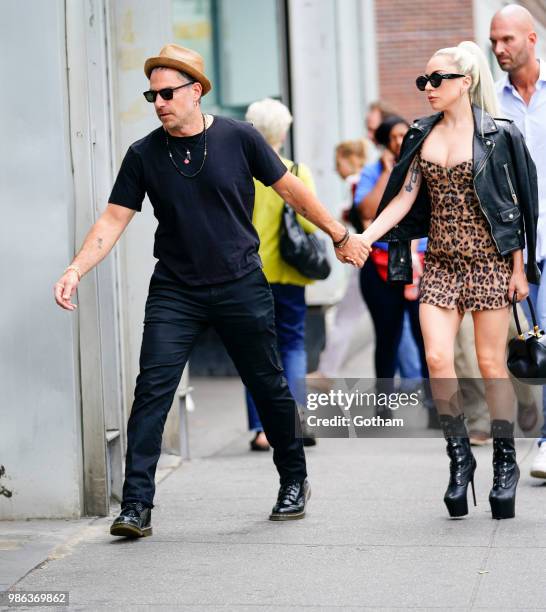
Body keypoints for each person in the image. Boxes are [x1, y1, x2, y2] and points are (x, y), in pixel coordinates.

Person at [53, 45, 367, 537]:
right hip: (176, 289)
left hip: (241, 281)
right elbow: (113, 219)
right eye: (152, 94)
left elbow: (290, 189)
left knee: (268, 384)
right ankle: (136, 504)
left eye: (168, 92)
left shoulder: (239, 138)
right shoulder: (143, 155)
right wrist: (76, 268)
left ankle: (293, 480)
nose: (158, 102)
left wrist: (339, 235)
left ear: (195, 91)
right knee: (152, 390)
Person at [360, 41, 539, 520]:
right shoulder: (421, 134)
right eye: (424, 80)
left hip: (488, 262)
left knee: (489, 363)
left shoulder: (498, 135)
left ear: (465, 82)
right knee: (438, 358)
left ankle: (504, 461)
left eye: (437, 79)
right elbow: (402, 198)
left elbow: (518, 206)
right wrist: (365, 238)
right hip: (439, 264)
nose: (428, 88)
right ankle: (459, 460)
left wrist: (520, 269)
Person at [243, 98, 318, 452]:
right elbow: (307, 220)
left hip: (247, 274)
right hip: (288, 275)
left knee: (254, 350)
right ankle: (296, 420)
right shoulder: (296, 171)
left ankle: (261, 429)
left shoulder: (239, 170)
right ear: (282, 131)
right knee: (292, 344)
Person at [490, 4, 546, 480]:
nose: (499, 48)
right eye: (494, 41)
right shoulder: (493, 106)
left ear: (532, 38)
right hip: (527, 249)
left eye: (507, 39)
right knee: (542, 339)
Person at [356, 116, 429, 404]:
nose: (399, 141)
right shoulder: (372, 171)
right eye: (394, 136)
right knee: (388, 337)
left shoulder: (424, 165)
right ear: (385, 141)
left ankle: (435, 406)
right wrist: (389, 172)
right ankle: (383, 403)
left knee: (426, 336)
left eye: (404, 135)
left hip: (420, 261)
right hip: (381, 264)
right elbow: (367, 209)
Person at [307, 140, 368, 381]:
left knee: (345, 317)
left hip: (362, 258)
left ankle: (327, 372)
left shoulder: (356, 184)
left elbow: (362, 217)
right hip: (368, 257)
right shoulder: (363, 181)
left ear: (347, 159)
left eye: (337, 163)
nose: (335, 169)